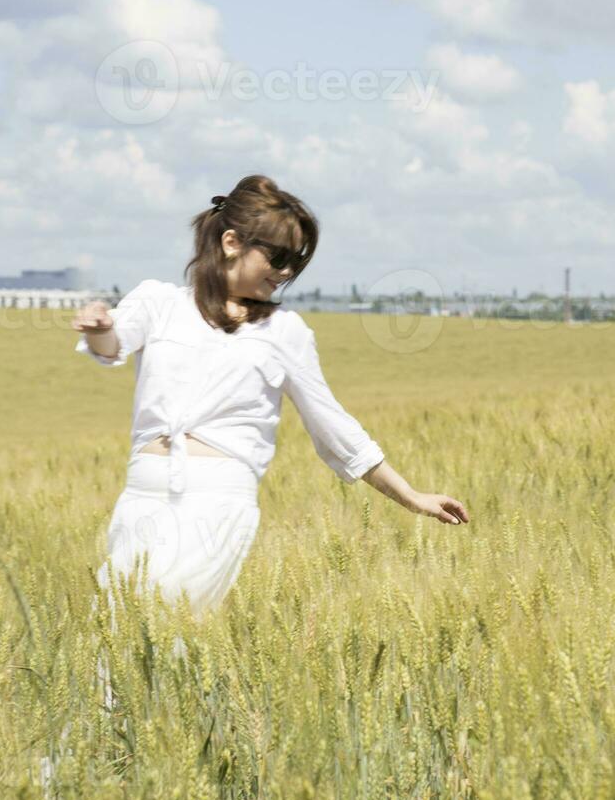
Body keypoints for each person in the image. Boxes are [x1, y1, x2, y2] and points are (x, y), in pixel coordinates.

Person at [73, 176, 470, 644]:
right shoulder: (159, 303)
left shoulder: (286, 332)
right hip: (142, 498)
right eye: (278, 257)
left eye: (295, 264)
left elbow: (334, 426)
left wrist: (411, 495)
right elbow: (112, 343)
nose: (285, 273)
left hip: (216, 505)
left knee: (163, 636)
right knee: (111, 644)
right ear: (230, 242)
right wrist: (99, 326)